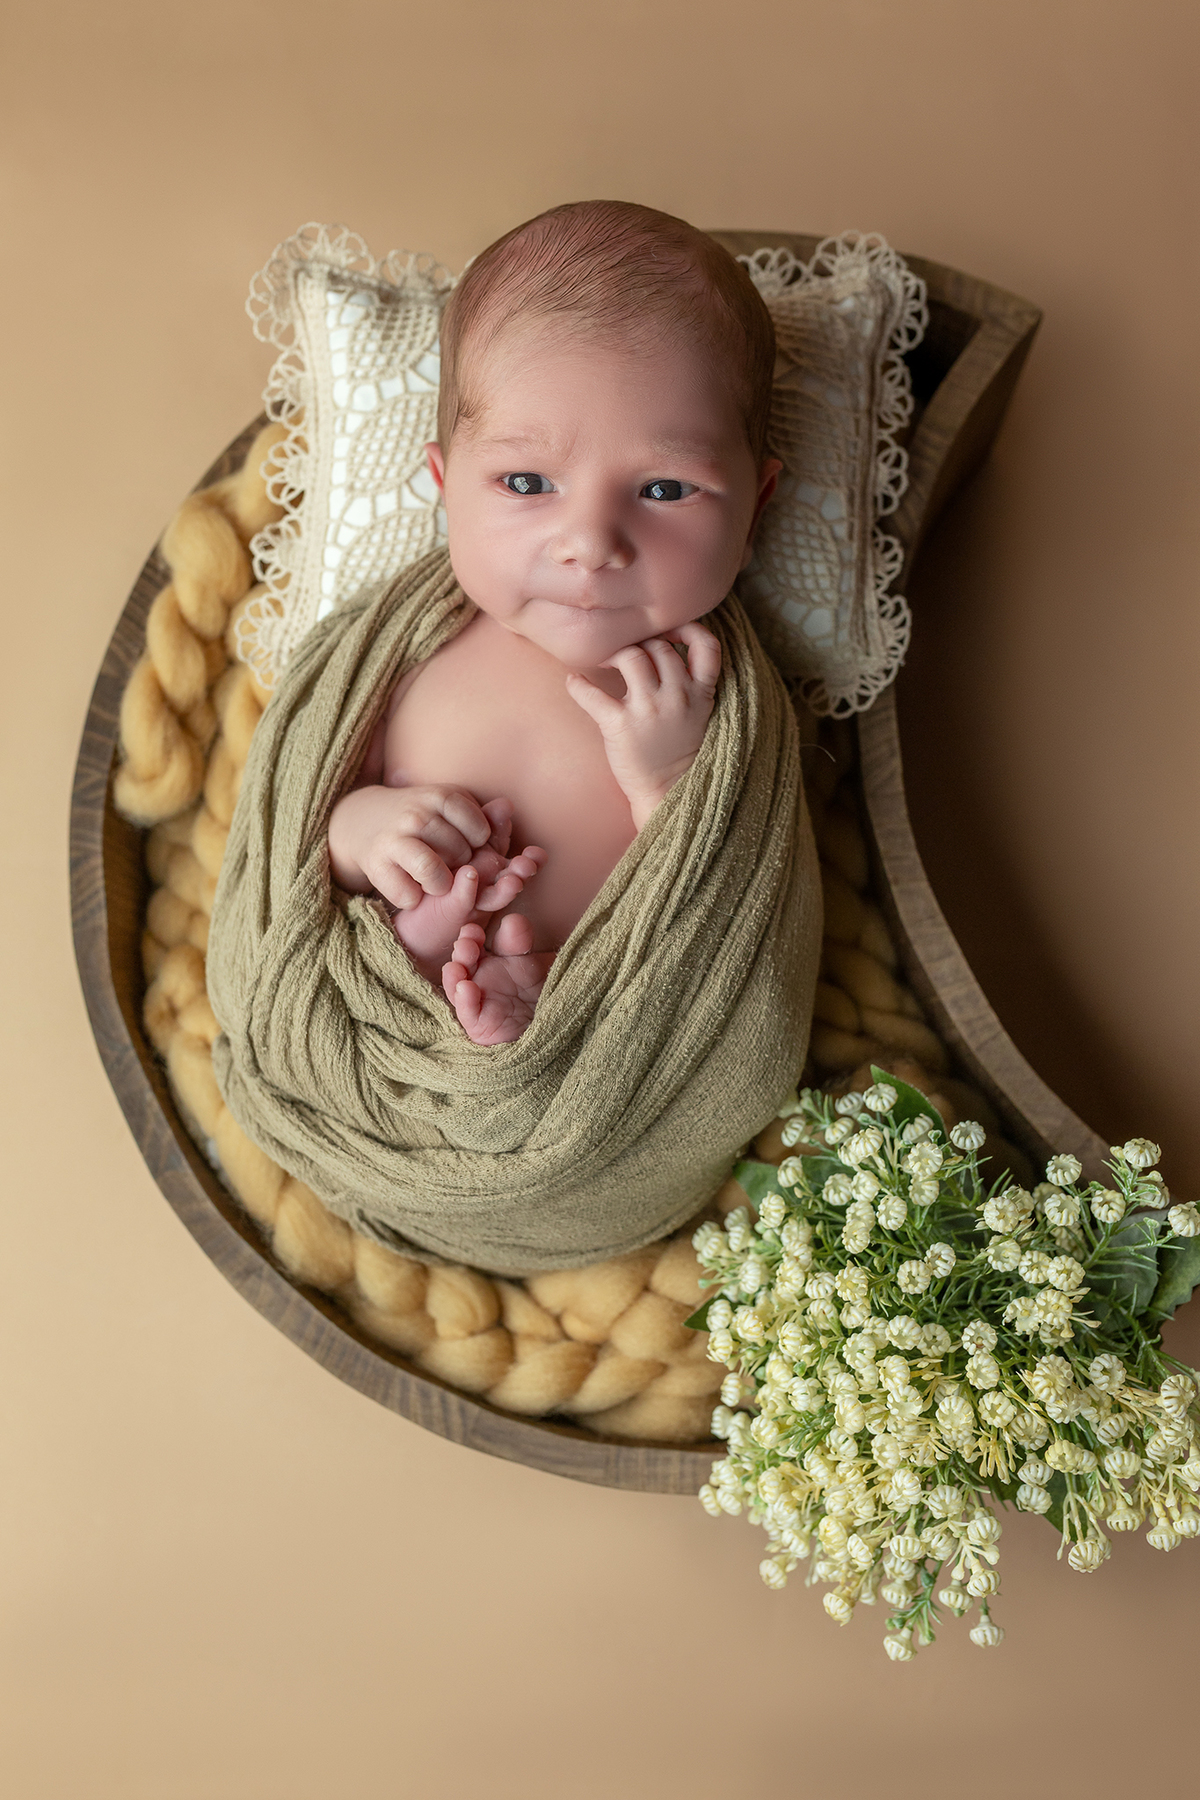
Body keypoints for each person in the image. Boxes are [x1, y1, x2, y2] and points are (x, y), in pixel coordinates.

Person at [326, 199, 781, 1043]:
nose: (590, 544)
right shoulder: (402, 653)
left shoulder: (708, 698)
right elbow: (305, 819)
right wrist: (362, 834)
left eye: (664, 489)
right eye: (527, 483)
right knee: (409, 924)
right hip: (376, 1007)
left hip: (599, 1031)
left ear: (755, 506)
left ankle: (525, 1016)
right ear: (443, 482)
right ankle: (436, 970)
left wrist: (671, 783)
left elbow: (729, 915)